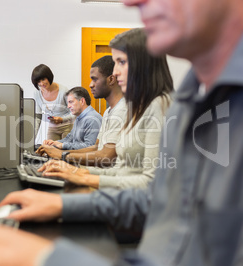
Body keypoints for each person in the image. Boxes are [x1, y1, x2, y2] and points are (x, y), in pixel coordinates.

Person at [0, 0, 243, 266]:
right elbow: (162, 201)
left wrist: (41, 259)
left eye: (122, 64)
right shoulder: (197, 88)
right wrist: (63, 203)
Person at [39, 28, 173, 189]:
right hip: (121, 194)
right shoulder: (137, 108)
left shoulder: (158, 105)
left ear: (143, 64)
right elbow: (120, 171)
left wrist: (71, 164)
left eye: (121, 62)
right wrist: (76, 171)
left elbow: (149, 182)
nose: (115, 72)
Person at [36, 55, 126, 167]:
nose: (90, 85)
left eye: (94, 79)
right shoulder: (107, 112)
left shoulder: (120, 111)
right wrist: (59, 151)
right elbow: (95, 148)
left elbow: (105, 156)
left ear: (111, 79)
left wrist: (62, 154)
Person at [31, 64, 74, 145]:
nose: (42, 83)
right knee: (51, 150)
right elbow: (38, 117)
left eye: (43, 79)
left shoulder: (63, 91)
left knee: (64, 152)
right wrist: (32, 138)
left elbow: (74, 113)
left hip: (67, 126)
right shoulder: (37, 93)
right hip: (52, 127)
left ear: (49, 77)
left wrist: (62, 119)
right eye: (38, 81)